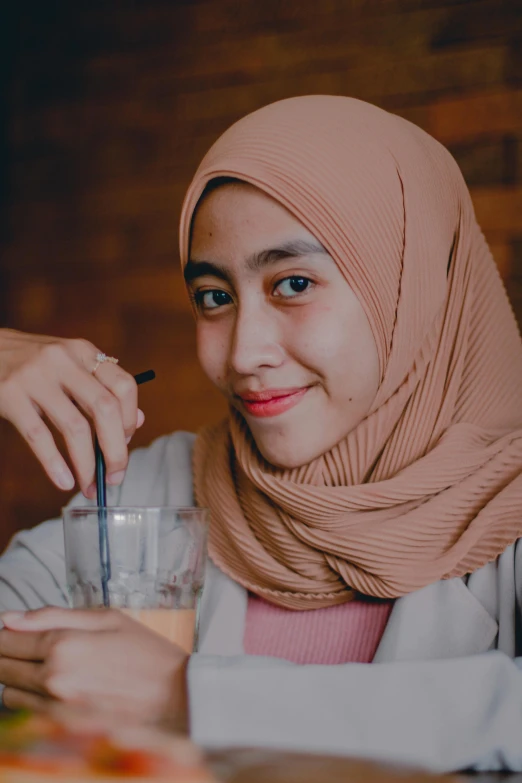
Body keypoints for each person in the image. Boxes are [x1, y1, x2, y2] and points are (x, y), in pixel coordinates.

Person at [0, 95, 521, 772]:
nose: (244, 353)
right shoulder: (153, 493)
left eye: (294, 283)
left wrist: (188, 695)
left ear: (415, 285)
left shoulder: (507, 506)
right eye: (214, 296)